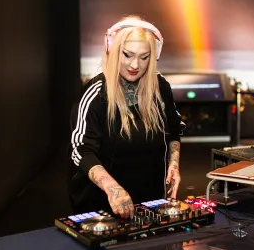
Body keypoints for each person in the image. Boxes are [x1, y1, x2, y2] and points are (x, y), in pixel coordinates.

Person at [67, 16, 186, 217]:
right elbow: (81, 150)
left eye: (144, 57)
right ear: (113, 51)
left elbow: (173, 131)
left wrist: (173, 164)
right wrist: (113, 189)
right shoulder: (96, 93)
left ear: (154, 56)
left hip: (151, 200)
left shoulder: (161, 87)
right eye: (128, 55)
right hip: (101, 205)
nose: (135, 64)